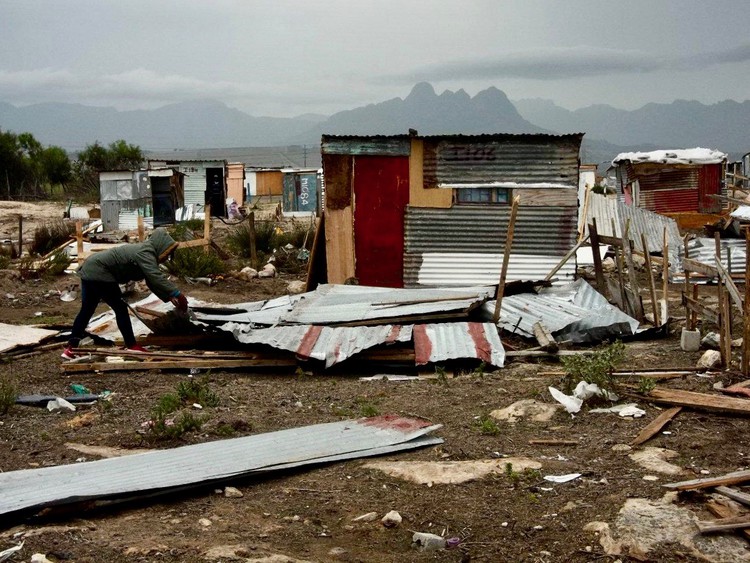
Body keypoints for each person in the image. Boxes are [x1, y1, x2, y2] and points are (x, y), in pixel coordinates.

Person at [61, 228, 189, 360]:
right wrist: (178, 294)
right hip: (100, 272)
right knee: (121, 308)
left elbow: (151, 281)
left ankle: (71, 349)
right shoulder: (146, 252)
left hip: (90, 268)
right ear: (161, 246)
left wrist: (168, 296)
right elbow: (155, 276)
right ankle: (132, 346)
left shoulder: (145, 251)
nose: (167, 257)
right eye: (167, 253)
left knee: (86, 310)